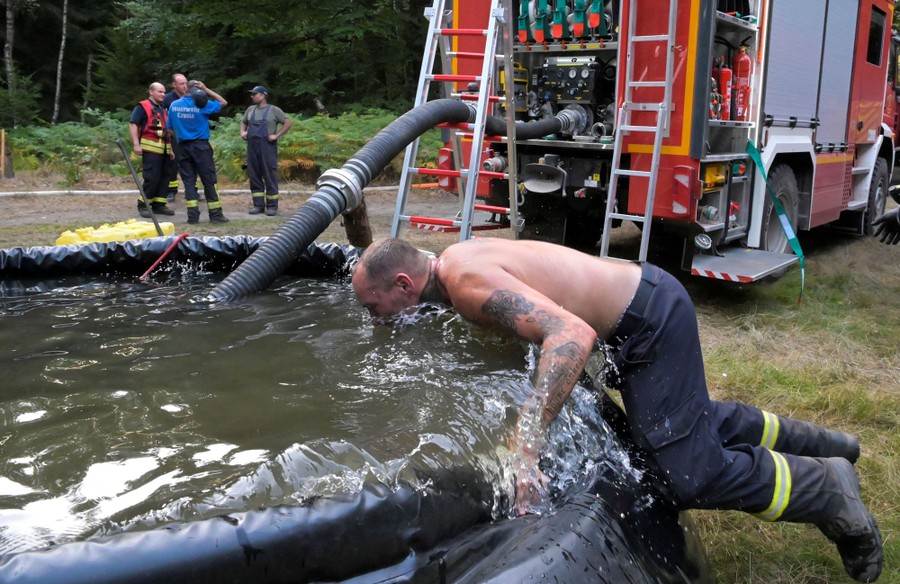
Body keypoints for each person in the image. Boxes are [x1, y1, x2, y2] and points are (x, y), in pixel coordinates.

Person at [351, 237, 883, 583]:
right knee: (679, 424)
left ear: (403, 285)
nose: (376, 322)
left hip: (648, 318)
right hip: (642, 303)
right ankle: (822, 443)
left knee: (687, 473)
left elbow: (571, 335)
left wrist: (525, 445)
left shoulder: (467, 285)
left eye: (373, 309)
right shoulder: (451, 263)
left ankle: (826, 486)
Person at [167, 80, 230, 224]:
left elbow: (169, 128)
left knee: (189, 182)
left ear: (185, 89)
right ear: (196, 90)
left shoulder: (174, 105)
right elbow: (223, 102)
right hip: (201, 147)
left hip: (182, 147)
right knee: (209, 180)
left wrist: (183, 133)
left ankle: (192, 217)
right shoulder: (203, 104)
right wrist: (206, 88)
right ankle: (215, 215)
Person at [239, 85, 292, 216]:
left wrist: (276, 135)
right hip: (252, 148)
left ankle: (272, 206)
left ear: (262, 95)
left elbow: (288, 123)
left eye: (254, 94)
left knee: (270, 175)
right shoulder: (250, 110)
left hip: (267, 147)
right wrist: (243, 132)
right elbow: (243, 122)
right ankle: (258, 205)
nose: (252, 96)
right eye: (251, 94)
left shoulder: (273, 110)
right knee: (254, 176)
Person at [128, 82, 175, 219]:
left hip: (165, 149)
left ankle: (159, 204)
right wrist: (136, 144)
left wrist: (171, 149)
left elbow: (166, 130)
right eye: (160, 92)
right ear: (151, 92)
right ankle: (144, 205)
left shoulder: (163, 108)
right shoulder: (142, 106)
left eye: (164, 92)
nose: (163, 94)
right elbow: (133, 124)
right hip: (150, 148)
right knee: (152, 177)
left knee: (165, 177)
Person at [162, 73, 189, 202]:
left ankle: (192, 189)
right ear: (174, 85)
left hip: (190, 136)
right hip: (173, 136)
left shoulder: (191, 97)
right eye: (181, 84)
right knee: (173, 163)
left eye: (186, 83)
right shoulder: (167, 99)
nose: (185, 86)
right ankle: (171, 190)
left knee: (191, 163)